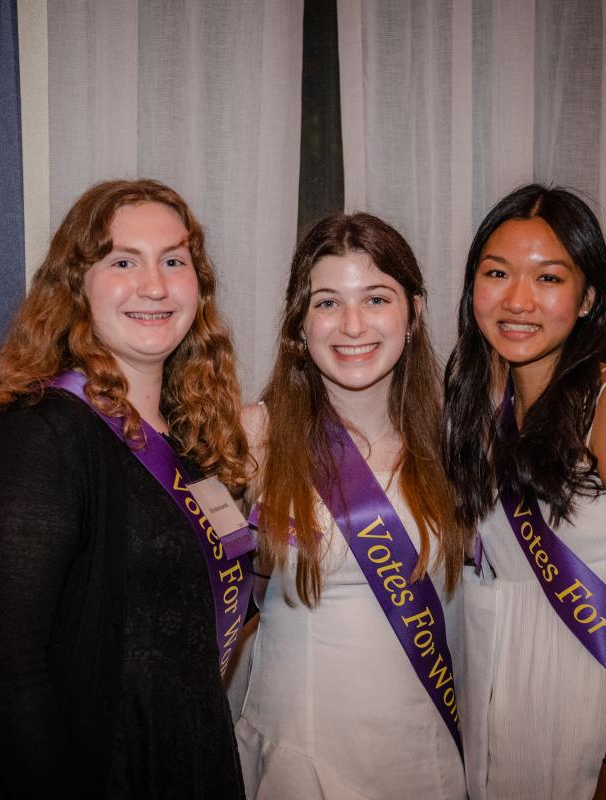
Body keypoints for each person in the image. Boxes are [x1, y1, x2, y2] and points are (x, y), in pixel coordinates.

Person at [0, 179, 251, 798]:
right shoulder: (43, 432)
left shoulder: (192, 435)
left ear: (199, 283)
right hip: (87, 769)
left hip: (186, 754)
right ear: (76, 285)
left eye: (173, 260)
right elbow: (10, 674)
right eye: (122, 261)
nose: (155, 285)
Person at [234, 212, 466, 798]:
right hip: (299, 752)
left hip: (423, 752)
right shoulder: (254, 438)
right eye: (328, 302)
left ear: (414, 310)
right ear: (300, 321)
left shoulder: (451, 444)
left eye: (376, 299)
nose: (353, 324)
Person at [443, 184, 606, 800]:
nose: (517, 300)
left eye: (549, 279)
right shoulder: (480, 402)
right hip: (495, 677)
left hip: (581, 684)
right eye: (497, 272)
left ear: (588, 297)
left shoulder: (599, 399)